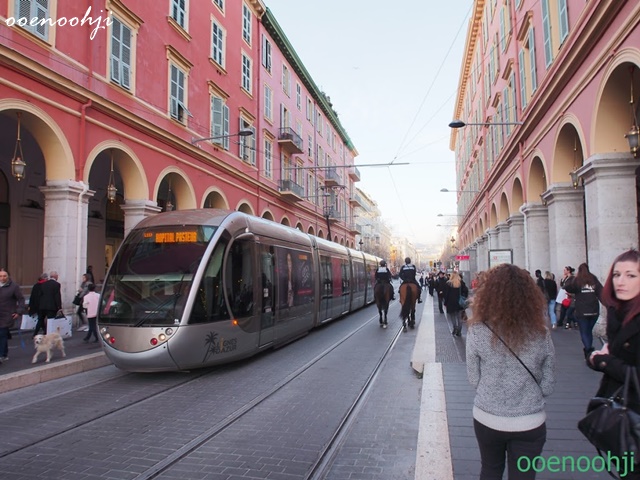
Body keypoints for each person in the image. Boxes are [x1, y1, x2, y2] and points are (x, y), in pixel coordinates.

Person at [466, 263, 555, 480]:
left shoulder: (477, 330)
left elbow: (473, 379)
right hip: (529, 421)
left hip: (488, 418)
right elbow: (548, 385)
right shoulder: (540, 333)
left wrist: (494, 390)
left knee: (490, 470)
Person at [588, 249, 640, 478]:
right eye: (617, 274)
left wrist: (604, 361)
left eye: (631, 275)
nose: (621, 281)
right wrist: (597, 360)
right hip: (621, 414)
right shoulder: (618, 312)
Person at [564, 262, 603, 361]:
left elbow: (567, 287)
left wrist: (571, 277)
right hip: (594, 310)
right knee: (588, 330)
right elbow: (601, 292)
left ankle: (588, 349)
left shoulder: (577, 280)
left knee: (584, 332)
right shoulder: (593, 279)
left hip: (582, 311)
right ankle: (589, 347)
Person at [0, 268, 26, 362]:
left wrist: (19, 311)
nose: (2, 278)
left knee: (2, 334)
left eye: (4, 276)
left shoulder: (14, 287)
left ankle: (1, 355)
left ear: (8, 276)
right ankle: (4, 352)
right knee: (2, 335)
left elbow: (21, 299)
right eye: (0, 276)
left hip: (7, 314)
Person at [34, 271, 62, 336]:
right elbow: (57, 296)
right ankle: (48, 333)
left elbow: (40, 295)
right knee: (50, 320)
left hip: (42, 305)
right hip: (51, 306)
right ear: (55, 276)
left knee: (40, 320)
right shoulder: (57, 284)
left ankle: (35, 333)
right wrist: (59, 307)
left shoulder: (44, 284)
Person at [443, 271, 468, 336]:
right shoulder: (461, 283)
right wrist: (464, 297)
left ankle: (455, 328)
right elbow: (466, 291)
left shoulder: (448, 283)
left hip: (450, 302)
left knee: (452, 316)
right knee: (459, 317)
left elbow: (446, 294)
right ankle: (459, 331)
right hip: (459, 302)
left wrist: (445, 303)